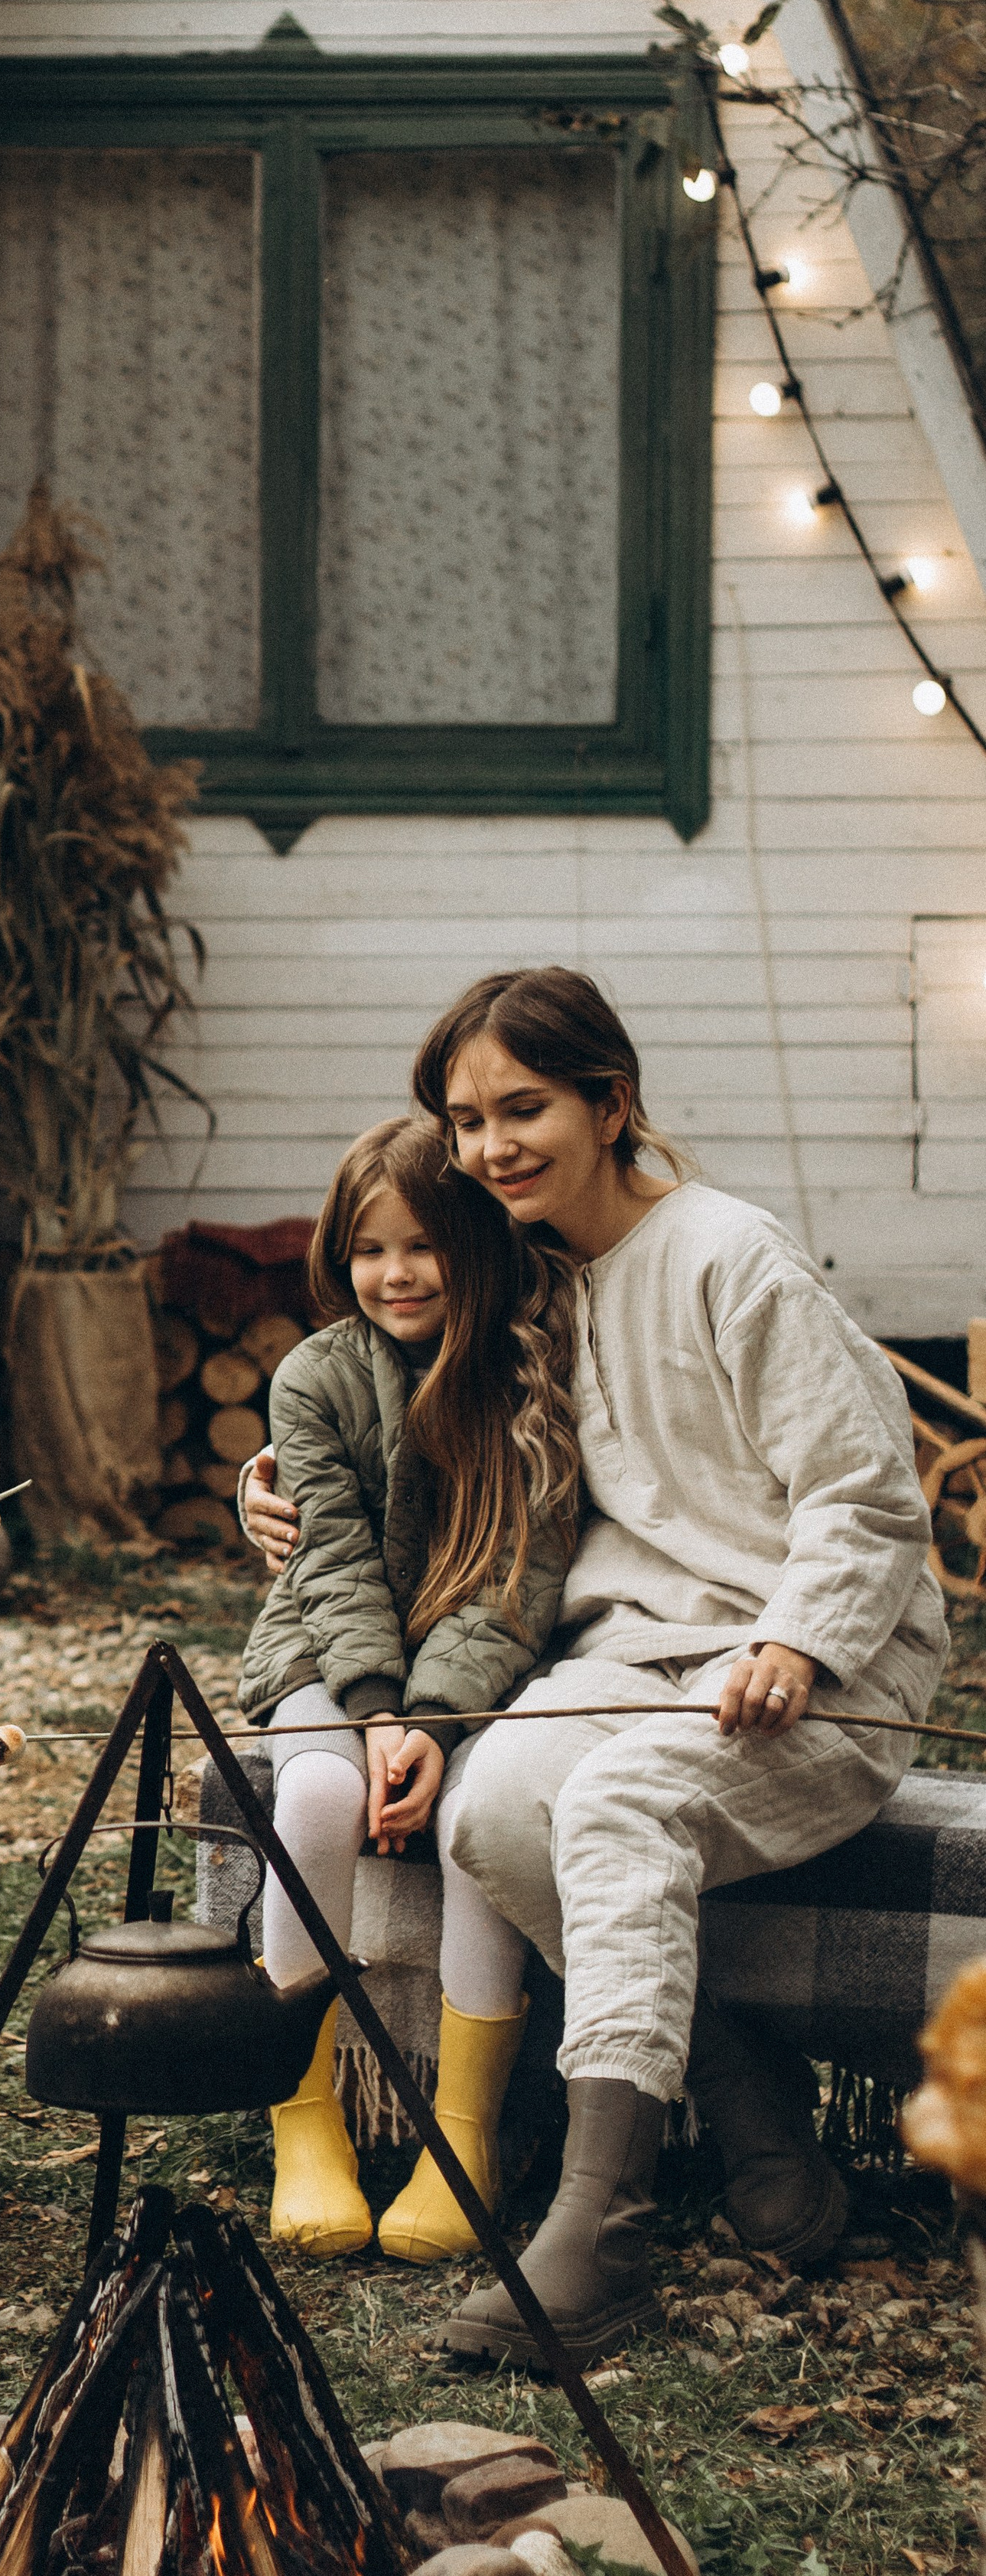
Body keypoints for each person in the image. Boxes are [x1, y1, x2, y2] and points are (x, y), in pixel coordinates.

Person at [259, 968, 945, 2367]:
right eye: (467, 1118)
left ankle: (597, 2227)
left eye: (525, 1107)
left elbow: (868, 1497)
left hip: (817, 1671)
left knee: (618, 1804)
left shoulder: (729, 1255)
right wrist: (267, 1486)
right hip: (638, 1655)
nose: (494, 1144)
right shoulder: (529, 1276)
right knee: (493, 1808)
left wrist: (798, 1637)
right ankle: (755, 2118)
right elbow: (405, 1442)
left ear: (609, 1102)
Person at [239, 1117, 571, 2267]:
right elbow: (327, 1557)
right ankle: (305, 2118)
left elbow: (519, 1575)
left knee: (483, 1819)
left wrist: (431, 1725)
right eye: (371, 1249)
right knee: (320, 1802)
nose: (396, 1274)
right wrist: (378, 1713)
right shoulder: (316, 1375)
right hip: (328, 1652)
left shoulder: (527, 1376)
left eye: (424, 1246)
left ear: (477, 1244)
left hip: (483, 1675)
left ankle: (462, 2135)